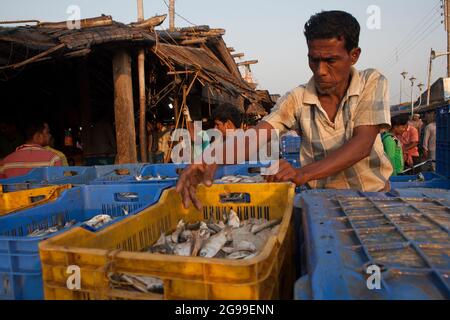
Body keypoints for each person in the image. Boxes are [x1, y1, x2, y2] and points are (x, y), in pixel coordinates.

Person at [177, 10, 393, 209]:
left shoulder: (370, 81)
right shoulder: (296, 99)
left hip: (373, 199)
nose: (321, 71)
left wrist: (302, 173)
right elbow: (255, 137)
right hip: (323, 205)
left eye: (330, 61)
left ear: (354, 55)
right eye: (314, 60)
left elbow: (362, 144)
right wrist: (209, 158)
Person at [0, 120, 64, 178]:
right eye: (47, 132)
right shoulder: (53, 159)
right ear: (38, 136)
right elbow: (60, 186)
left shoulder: (5, 162)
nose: (50, 135)